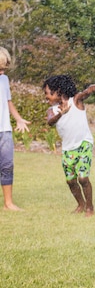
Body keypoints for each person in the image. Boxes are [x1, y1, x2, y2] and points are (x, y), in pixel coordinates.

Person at [43, 74, 95, 217]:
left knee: (83, 178)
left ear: (59, 91)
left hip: (84, 144)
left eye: (48, 93)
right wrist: (61, 114)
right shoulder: (52, 111)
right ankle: (81, 204)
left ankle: (89, 207)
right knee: (71, 180)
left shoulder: (76, 101)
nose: (46, 96)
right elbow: (50, 122)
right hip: (68, 149)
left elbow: (89, 90)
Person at [0, 47, 31, 211]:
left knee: (7, 165)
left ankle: (8, 203)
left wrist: (18, 119)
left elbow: (8, 102)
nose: (2, 71)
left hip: (4, 130)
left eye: (4, 68)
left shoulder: (4, 80)